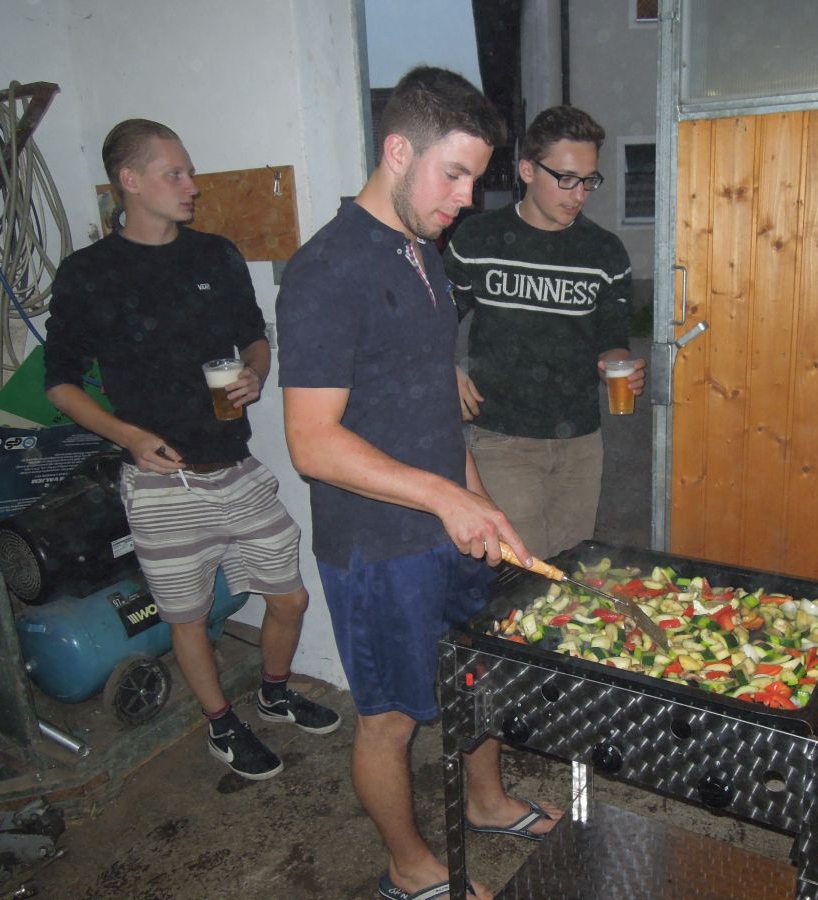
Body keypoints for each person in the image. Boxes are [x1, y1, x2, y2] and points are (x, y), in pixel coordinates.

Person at [277, 68, 560, 900]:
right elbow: (311, 443)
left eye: (476, 178)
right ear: (399, 152)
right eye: (455, 174)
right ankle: (409, 869)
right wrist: (445, 498)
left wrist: (480, 502)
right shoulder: (327, 270)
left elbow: (435, 405)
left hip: (446, 528)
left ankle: (487, 802)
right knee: (391, 718)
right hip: (377, 548)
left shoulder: (423, 253)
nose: (467, 197)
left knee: (478, 672)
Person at [44, 118, 339, 782]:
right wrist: (128, 436)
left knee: (290, 597)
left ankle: (272, 691)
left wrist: (256, 371)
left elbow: (254, 335)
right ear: (129, 180)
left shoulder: (215, 255)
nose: (192, 186)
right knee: (189, 615)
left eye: (190, 172)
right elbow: (59, 383)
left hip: (234, 468)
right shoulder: (89, 274)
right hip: (160, 482)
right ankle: (221, 726)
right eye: (174, 173)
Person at [443, 105, 646, 561]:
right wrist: (443, 368)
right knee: (523, 569)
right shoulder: (478, 239)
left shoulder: (605, 252)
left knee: (572, 569)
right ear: (528, 170)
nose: (579, 195)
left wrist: (620, 365)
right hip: (502, 439)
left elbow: (612, 339)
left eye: (589, 181)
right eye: (566, 179)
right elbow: (429, 318)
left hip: (580, 442)